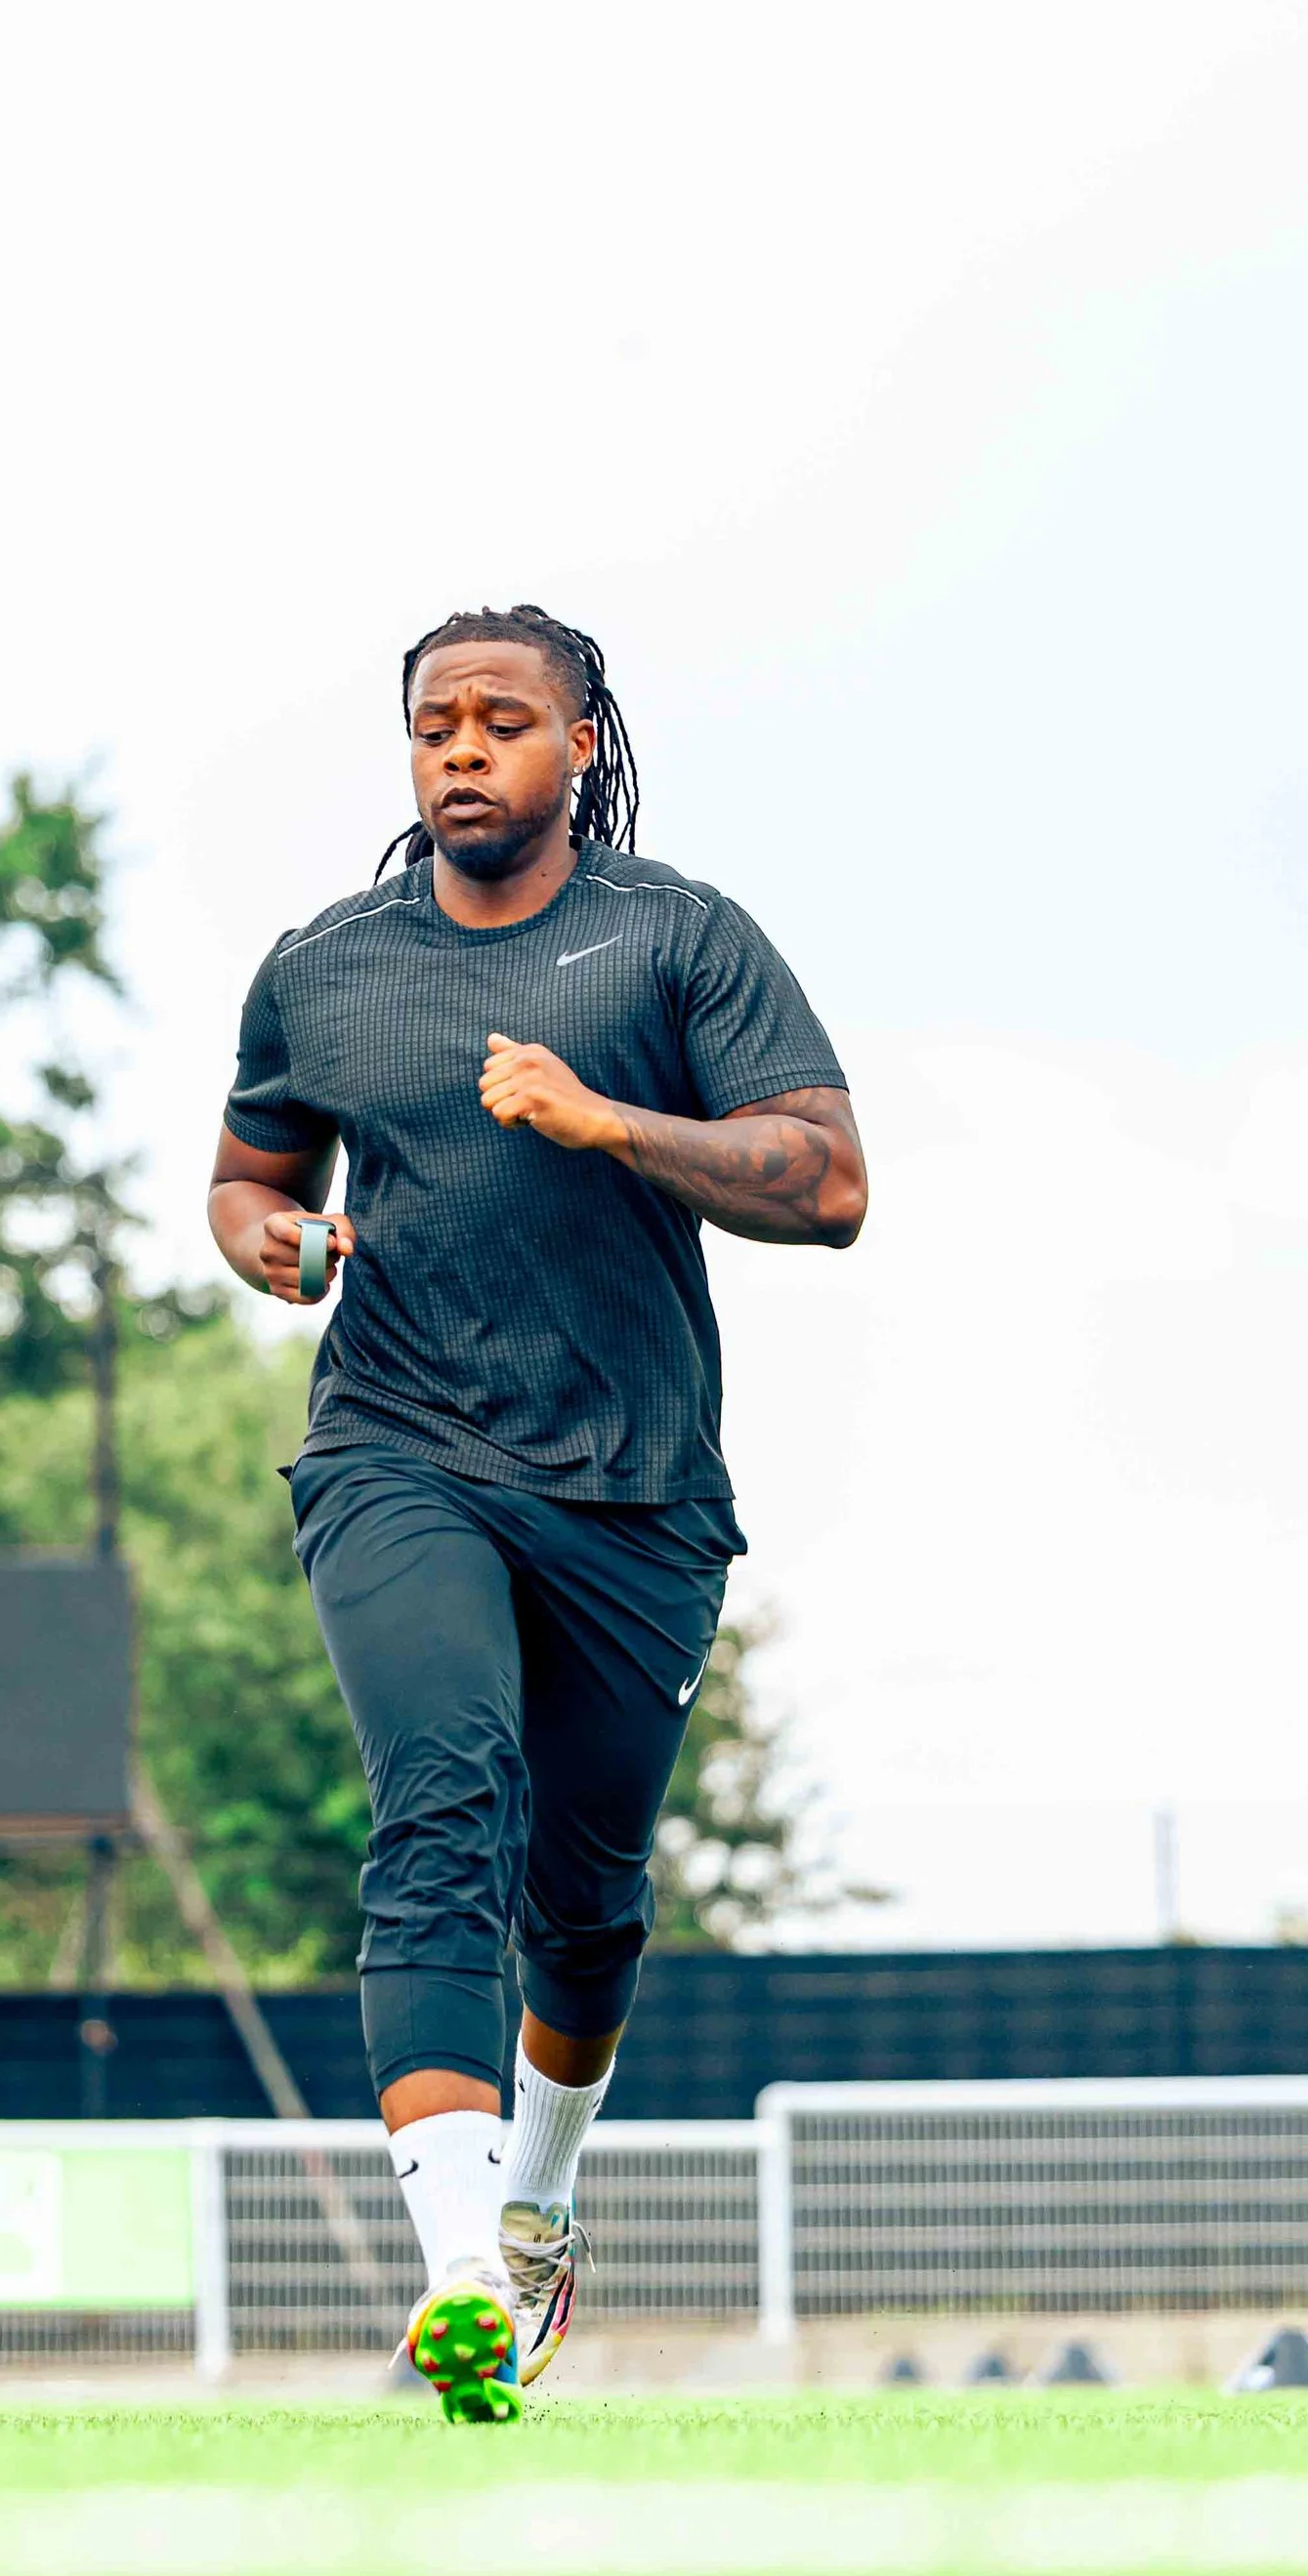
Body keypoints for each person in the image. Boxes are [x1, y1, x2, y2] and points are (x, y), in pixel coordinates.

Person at [207, 607, 864, 2419]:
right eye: (435, 724)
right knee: (444, 1798)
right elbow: (253, 1170)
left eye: (505, 719)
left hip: (638, 1490)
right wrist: (266, 1238)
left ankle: (539, 2204)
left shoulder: (677, 938)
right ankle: (451, 2277)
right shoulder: (325, 966)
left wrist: (611, 1121)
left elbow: (828, 1180)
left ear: (580, 743)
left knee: (583, 1899)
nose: (463, 749)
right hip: (395, 1447)